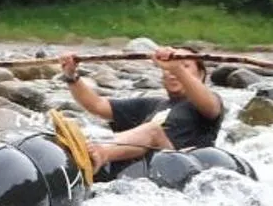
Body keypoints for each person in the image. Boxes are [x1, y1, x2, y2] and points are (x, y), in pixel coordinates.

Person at [55, 48, 224, 172]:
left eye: (184, 66)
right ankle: (81, 150)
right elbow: (97, 105)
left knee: (153, 131)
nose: (172, 73)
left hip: (181, 165)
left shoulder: (209, 102)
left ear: (201, 75)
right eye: (168, 69)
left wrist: (176, 67)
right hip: (145, 168)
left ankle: (99, 152)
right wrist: (71, 77)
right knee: (102, 132)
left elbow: (210, 107)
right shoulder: (153, 105)